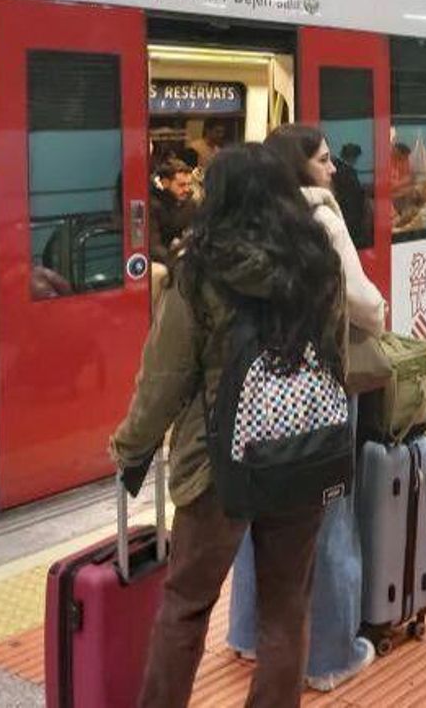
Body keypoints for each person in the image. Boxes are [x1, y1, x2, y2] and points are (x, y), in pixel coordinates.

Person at [111, 143, 345, 708]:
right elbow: (336, 354)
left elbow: (165, 375)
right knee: (286, 608)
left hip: (219, 465)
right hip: (303, 453)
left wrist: (130, 446)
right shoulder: (318, 263)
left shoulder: (200, 272)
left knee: (186, 606)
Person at [224, 125, 387, 692]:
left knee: (257, 509)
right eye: (323, 159)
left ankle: (246, 634)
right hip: (317, 389)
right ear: (300, 167)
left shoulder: (246, 218)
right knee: (330, 513)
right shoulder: (321, 217)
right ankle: (331, 655)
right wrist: (381, 312)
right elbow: (361, 301)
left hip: (254, 392)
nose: (333, 168)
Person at [148, 159, 196, 265]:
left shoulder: (190, 204)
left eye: (189, 184)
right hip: (162, 258)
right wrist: (175, 258)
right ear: (165, 183)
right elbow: (153, 246)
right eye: (181, 185)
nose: (187, 189)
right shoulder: (151, 205)